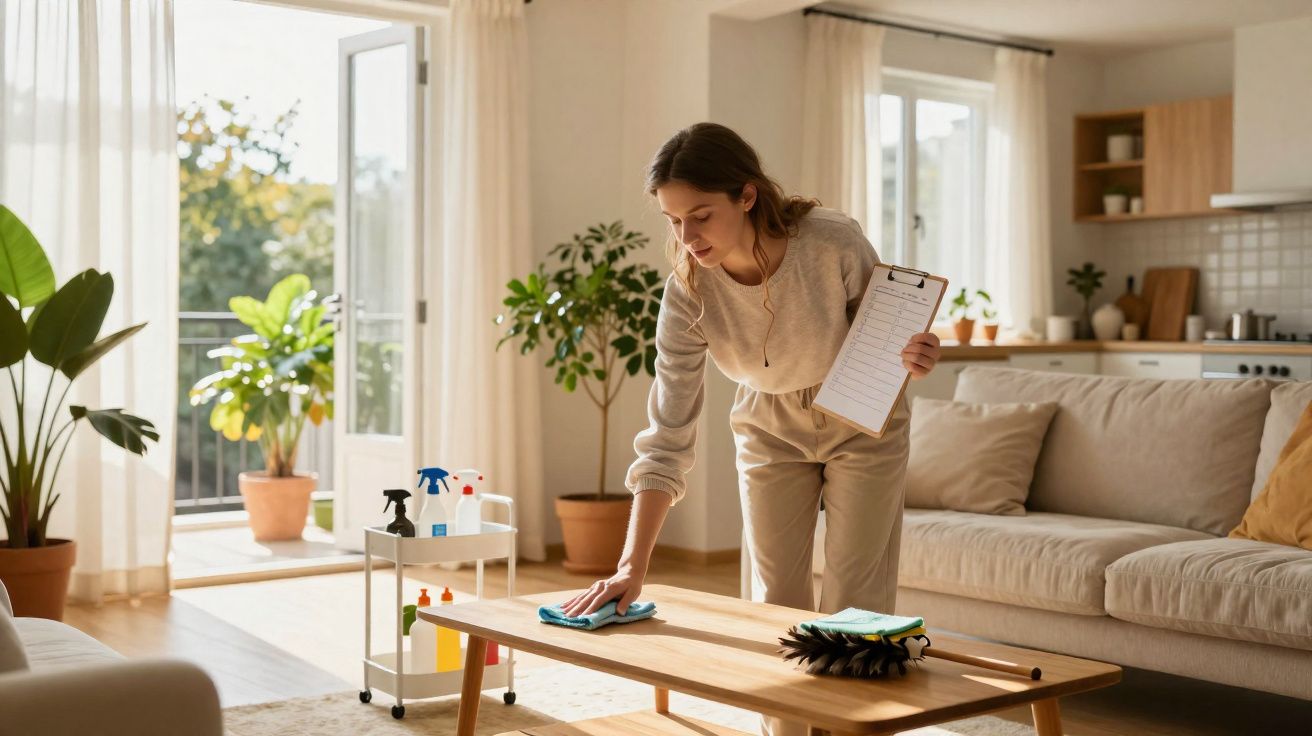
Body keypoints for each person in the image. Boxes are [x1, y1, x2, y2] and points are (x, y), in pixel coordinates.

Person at [561, 122, 941, 736]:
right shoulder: (687, 292)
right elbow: (668, 431)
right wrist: (632, 564)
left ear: (746, 195)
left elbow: (886, 337)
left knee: (855, 598)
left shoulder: (832, 242)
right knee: (775, 600)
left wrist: (916, 353)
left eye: (701, 216)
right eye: (673, 220)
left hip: (862, 417)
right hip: (767, 421)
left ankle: (852, 728)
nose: (687, 237)